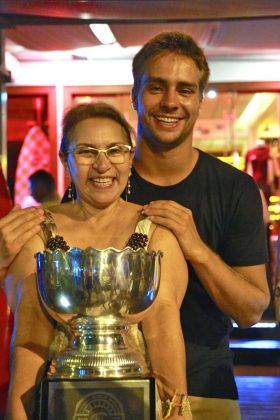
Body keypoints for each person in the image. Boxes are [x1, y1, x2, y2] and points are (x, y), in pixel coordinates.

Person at [0, 32, 270, 419]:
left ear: (197, 98)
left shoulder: (233, 190)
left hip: (202, 386)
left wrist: (194, 246)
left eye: (185, 90)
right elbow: (31, 328)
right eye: (157, 87)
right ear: (135, 95)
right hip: (73, 393)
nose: (171, 101)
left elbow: (249, 312)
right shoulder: (88, 193)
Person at [3, 102, 190, 420]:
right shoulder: (37, 230)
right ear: (66, 160)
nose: (103, 165)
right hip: (60, 406)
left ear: (130, 158)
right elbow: (29, 341)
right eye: (87, 152)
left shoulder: (156, 231)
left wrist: (179, 414)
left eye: (115, 150)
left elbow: (164, 338)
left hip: (136, 405)